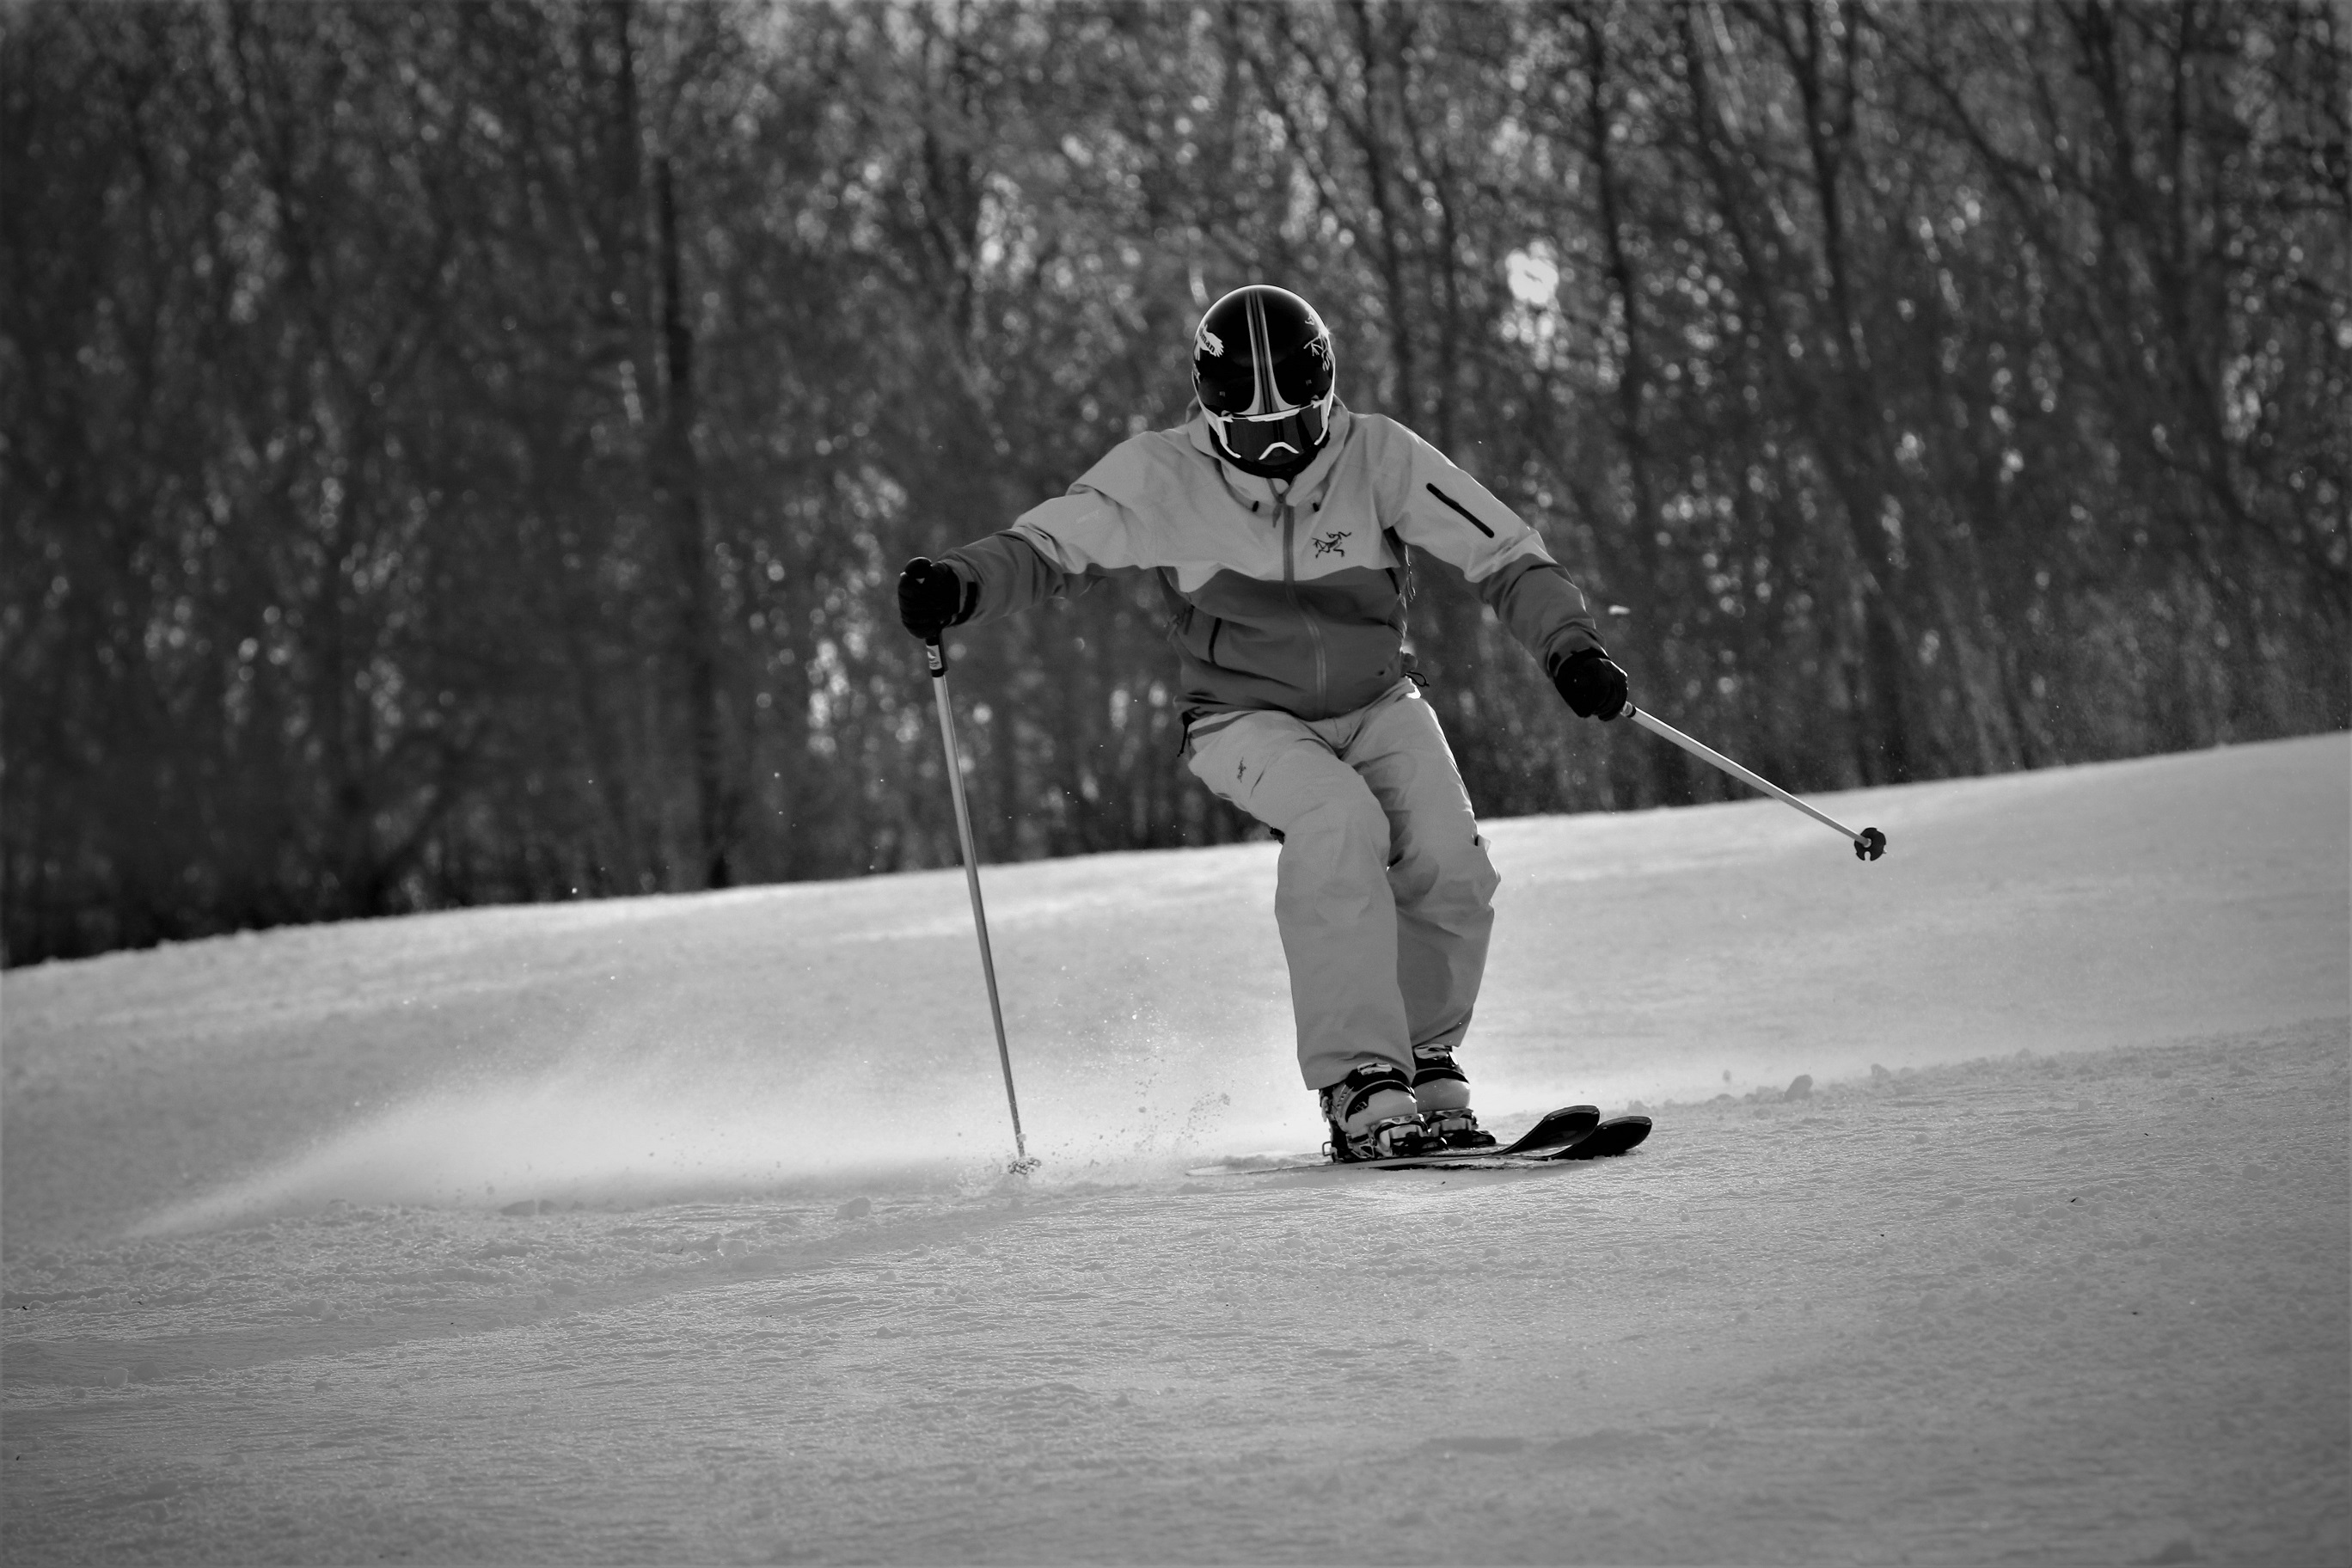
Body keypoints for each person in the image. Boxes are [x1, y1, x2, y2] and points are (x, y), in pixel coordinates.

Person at [896, 285, 1630, 1161]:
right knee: (1338, 820)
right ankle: (1359, 1079)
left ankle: (1422, 1056)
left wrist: (1569, 649)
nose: (1276, 452)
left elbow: (1505, 553)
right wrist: (960, 583)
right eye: (1250, 432)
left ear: (1328, 395)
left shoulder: (1380, 457)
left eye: (1294, 425)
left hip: (1378, 700)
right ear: (1210, 411)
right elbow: (1048, 547)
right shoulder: (1161, 477)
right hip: (1240, 717)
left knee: (1446, 849)